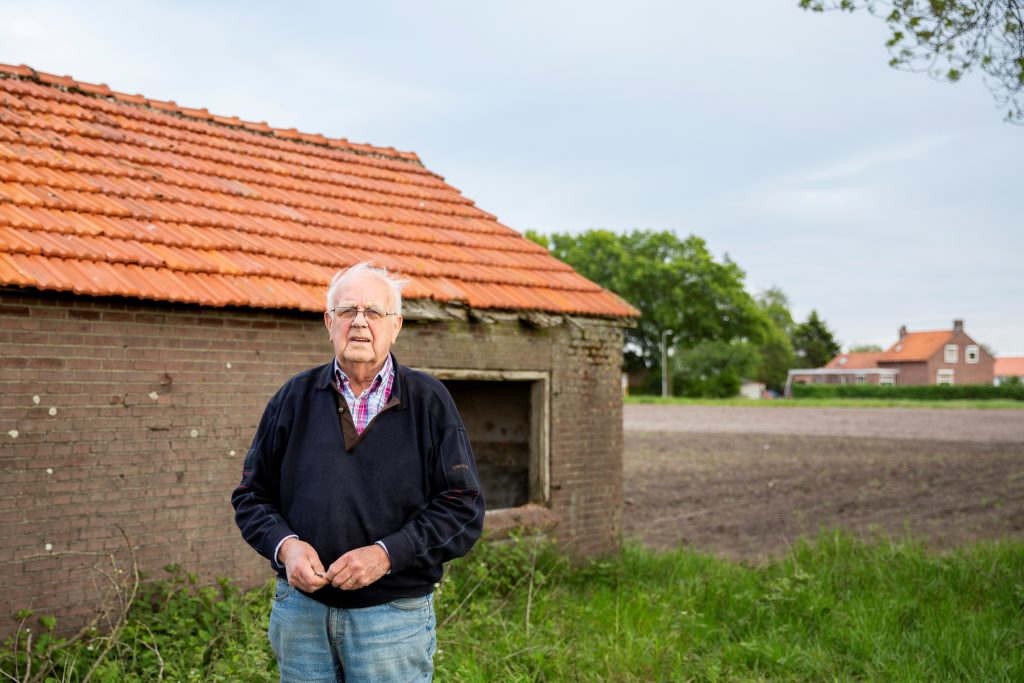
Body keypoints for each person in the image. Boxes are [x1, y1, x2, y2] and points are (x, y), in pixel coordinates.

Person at [232, 262, 485, 682]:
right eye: (348, 311)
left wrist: (387, 555)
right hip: (301, 616)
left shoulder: (429, 401)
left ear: (396, 325)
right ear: (329, 322)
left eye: (374, 312)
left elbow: (463, 508)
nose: (360, 323)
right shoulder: (293, 398)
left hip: (392, 619)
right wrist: (286, 547)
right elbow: (250, 495)